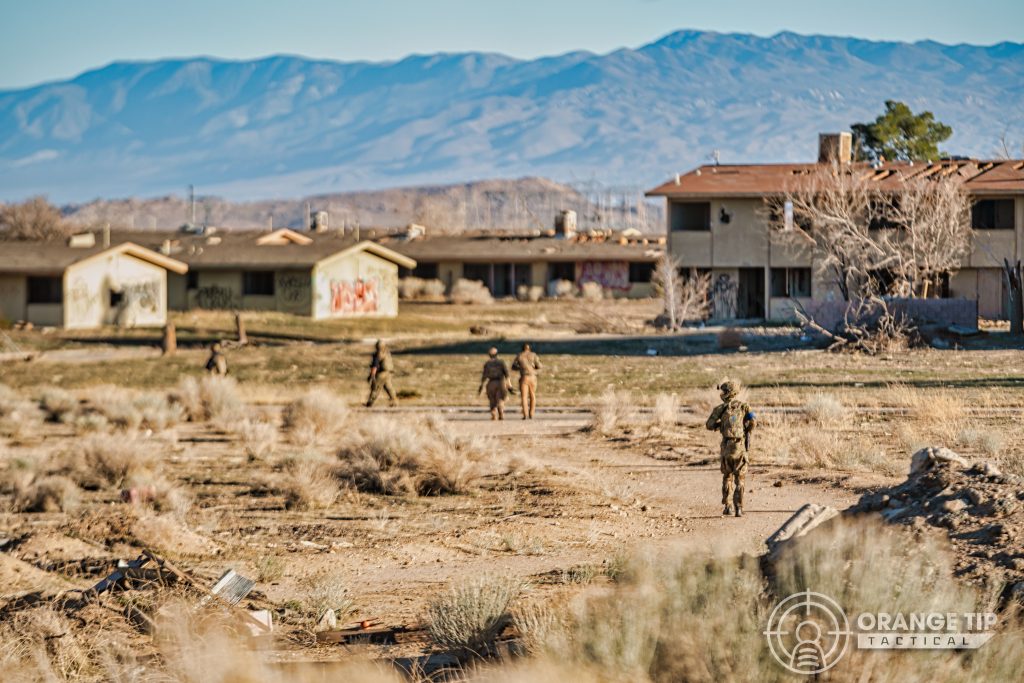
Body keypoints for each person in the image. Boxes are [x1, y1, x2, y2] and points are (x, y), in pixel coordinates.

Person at [705, 380, 756, 517]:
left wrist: (720, 425)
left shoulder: (720, 409)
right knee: (740, 478)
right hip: (740, 446)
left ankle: (727, 506)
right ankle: (739, 508)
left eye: (723, 391)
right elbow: (754, 421)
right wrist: (746, 430)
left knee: (727, 477)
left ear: (727, 393)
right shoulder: (745, 407)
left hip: (726, 447)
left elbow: (709, 425)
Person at [478, 347, 513, 420]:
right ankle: (501, 414)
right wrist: (509, 385)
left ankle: (493, 414)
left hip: (491, 383)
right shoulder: (501, 362)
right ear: (497, 354)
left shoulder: (487, 364)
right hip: (500, 382)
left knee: (492, 400)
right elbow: (506, 374)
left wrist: (481, 385)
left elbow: (484, 376)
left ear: (489, 355)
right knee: (500, 399)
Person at [511, 342, 542, 419]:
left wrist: (521, 368)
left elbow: (513, 367)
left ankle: (525, 414)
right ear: (529, 348)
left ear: (522, 348)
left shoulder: (519, 355)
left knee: (524, 397)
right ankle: (531, 414)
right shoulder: (534, 355)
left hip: (524, 377)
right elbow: (539, 366)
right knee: (532, 395)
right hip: (533, 377)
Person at [366, 340, 397, 408]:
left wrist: (371, 375)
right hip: (389, 372)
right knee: (388, 387)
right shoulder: (387, 353)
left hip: (382, 373)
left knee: (375, 387)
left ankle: (370, 402)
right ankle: (394, 401)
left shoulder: (378, 354)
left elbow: (375, 365)